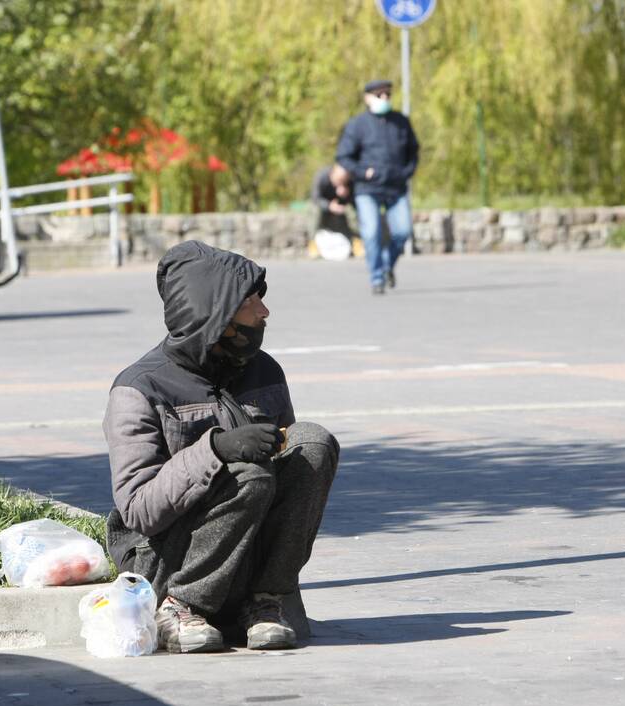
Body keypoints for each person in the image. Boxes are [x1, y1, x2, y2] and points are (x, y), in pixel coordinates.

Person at [103, 241, 340, 653]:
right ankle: (179, 607)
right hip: (167, 561)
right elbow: (138, 509)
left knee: (313, 444)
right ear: (216, 315)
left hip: (245, 552)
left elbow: (289, 475)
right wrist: (215, 450)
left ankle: (265, 602)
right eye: (252, 302)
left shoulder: (264, 370)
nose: (264, 313)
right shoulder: (139, 388)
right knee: (248, 475)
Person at [336, 79, 420, 295]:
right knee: (371, 233)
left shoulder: (401, 122)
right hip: (368, 189)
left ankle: (386, 266)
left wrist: (406, 173)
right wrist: (363, 172)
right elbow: (344, 156)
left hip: (396, 188)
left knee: (403, 231)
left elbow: (413, 151)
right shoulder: (358, 125)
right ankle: (377, 277)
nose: (384, 98)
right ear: (367, 98)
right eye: (379, 95)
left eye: (387, 95)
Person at [310, 163, 355, 239]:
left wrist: (347, 195)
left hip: (341, 205)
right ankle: (313, 239)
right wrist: (329, 206)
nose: (341, 183)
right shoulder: (321, 176)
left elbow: (354, 199)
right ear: (332, 174)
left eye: (344, 181)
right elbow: (315, 198)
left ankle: (356, 238)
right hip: (324, 204)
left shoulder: (349, 180)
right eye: (339, 181)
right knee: (315, 210)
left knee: (352, 210)